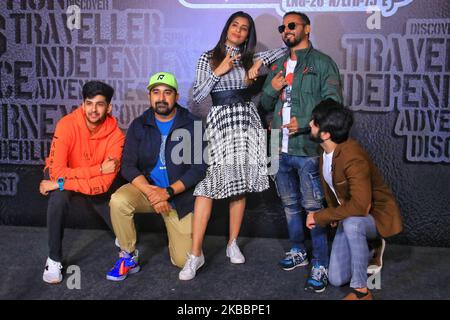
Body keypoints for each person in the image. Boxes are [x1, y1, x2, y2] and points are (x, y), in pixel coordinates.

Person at [179, 11, 288, 281]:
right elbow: (199, 95)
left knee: (239, 183)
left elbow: (286, 51)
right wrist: (220, 70)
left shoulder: (249, 58)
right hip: (220, 120)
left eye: (244, 28)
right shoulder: (209, 57)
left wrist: (259, 61)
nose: (238, 31)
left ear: (248, 34)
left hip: (247, 119)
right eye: (235, 25)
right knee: (208, 186)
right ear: (227, 27)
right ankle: (196, 254)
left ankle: (232, 243)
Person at [260, 11, 343, 293]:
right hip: (277, 147)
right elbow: (265, 102)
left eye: (292, 25)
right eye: (283, 27)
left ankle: (320, 262)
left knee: (314, 209)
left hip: (306, 148)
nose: (286, 31)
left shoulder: (322, 63)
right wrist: (272, 89)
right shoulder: (279, 65)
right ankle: (298, 250)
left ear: (307, 28)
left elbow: (333, 104)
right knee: (290, 206)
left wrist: (307, 121)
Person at [106, 72, 207, 281]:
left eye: (167, 93)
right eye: (156, 92)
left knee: (182, 260)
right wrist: (153, 192)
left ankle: (189, 246)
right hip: (148, 191)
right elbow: (128, 165)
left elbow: (199, 169)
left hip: (178, 197)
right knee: (118, 200)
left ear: (176, 97)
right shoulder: (139, 124)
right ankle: (127, 255)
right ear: (149, 96)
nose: (161, 98)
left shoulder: (192, 123)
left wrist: (167, 192)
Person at [307, 98, 403, 300]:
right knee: (335, 278)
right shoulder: (324, 151)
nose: (310, 124)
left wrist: (320, 216)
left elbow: (361, 206)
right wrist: (333, 214)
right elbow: (334, 190)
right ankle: (371, 247)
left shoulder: (352, 157)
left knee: (352, 223)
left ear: (325, 133)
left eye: (314, 122)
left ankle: (361, 292)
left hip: (373, 217)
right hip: (351, 215)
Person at [39, 81, 125, 284]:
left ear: (109, 107)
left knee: (106, 200)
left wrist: (61, 183)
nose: (93, 110)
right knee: (58, 199)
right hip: (65, 176)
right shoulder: (67, 125)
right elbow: (57, 171)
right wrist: (96, 170)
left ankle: (124, 240)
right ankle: (54, 259)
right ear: (83, 104)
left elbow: (103, 184)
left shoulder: (116, 136)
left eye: (100, 104)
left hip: (78, 181)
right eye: (89, 103)